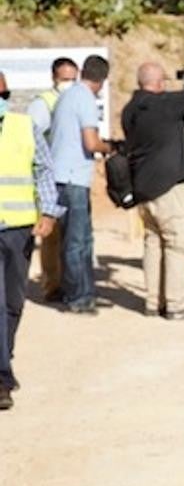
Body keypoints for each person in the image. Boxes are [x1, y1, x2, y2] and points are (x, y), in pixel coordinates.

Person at [122, 63, 184, 320]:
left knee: (153, 244)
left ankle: (153, 302)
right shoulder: (165, 105)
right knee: (179, 244)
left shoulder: (130, 109)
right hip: (169, 187)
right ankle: (176, 305)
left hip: (143, 187)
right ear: (160, 82)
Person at [0, 71, 65, 411]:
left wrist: (49, 211)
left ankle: (4, 356)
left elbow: (43, 169)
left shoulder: (24, 127)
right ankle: (1, 378)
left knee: (12, 302)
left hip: (17, 229)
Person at [48, 54, 112, 315]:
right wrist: (110, 147)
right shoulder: (86, 99)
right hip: (75, 176)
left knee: (68, 240)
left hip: (59, 175)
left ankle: (69, 289)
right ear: (102, 81)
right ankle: (81, 298)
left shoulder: (67, 94)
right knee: (79, 241)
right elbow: (91, 142)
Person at [26, 57, 78, 302]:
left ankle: (70, 282)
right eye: (64, 79)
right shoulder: (43, 103)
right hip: (50, 176)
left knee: (73, 235)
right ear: (54, 78)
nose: (69, 83)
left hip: (72, 174)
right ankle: (51, 285)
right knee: (52, 236)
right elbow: (32, 140)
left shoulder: (78, 100)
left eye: (72, 79)